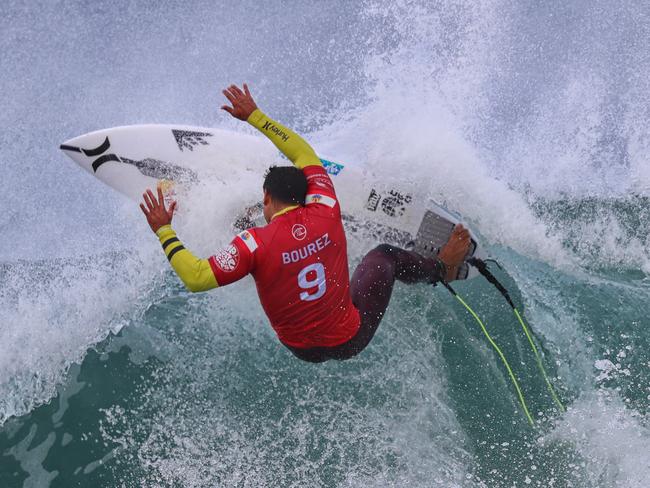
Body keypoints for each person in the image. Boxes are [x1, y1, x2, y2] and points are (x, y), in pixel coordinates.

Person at [140, 83, 471, 363]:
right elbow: (303, 154)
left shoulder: (252, 243)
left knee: (258, 250)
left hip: (300, 349)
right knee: (384, 254)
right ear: (305, 196)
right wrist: (255, 116)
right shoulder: (326, 208)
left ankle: (246, 218)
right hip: (350, 340)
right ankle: (442, 268)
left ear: (267, 198)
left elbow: (196, 278)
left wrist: (164, 230)